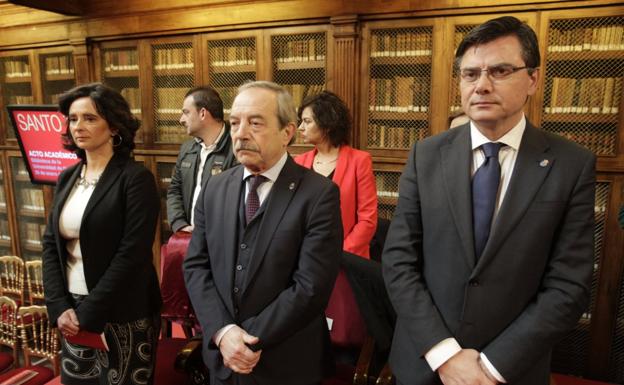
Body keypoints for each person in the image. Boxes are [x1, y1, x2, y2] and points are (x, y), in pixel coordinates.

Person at [382, 16, 595, 385]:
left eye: (499, 71)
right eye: (470, 74)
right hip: (426, 364)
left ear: (532, 79)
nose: (481, 85)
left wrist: (491, 367)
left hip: (510, 371)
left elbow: (569, 285)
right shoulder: (426, 155)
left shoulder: (571, 164)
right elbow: (399, 261)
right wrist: (445, 354)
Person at [183, 80, 343, 385]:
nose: (240, 133)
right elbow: (196, 266)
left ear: (287, 132)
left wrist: (248, 341)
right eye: (234, 123)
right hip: (223, 360)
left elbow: (310, 286)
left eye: (255, 123)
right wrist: (225, 332)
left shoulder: (319, 194)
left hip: (286, 362)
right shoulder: (215, 188)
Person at [42, 83, 162, 385]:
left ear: (113, 126)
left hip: (122, 312)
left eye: (90, 118)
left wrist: (90, 311)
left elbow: (132, 254)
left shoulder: (136, 179)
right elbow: (50, 244)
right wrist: (59, 306)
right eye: (73, 119)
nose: (78, 126)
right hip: (72, 311)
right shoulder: (67, 177)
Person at [295, 90, 377, 258]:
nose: (300, 128)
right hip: (305, 259)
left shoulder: (359, 161)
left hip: (346, 259)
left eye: (306, 121)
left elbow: (367, 220)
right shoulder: (298, 162)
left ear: (327, 124)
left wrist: (339, 255)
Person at [167, 86, 237, 233]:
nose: (181, 119)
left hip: (220, 240)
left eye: (186, 112)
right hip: (188, 237)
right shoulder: (187, 149)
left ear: (203, 113)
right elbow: (174, 190)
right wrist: (180, 224)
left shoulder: (237, 149)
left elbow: (236, 202)